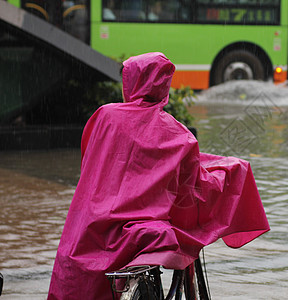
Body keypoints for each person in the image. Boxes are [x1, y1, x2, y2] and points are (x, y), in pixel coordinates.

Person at [47, 52, 270, 299]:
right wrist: (231, 173)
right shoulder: (178, 133)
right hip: (144, 231)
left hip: (92, 227)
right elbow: (191, 187)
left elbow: (92, 165)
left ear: (130, 84)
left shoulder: (105, 117)